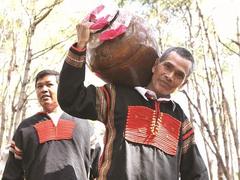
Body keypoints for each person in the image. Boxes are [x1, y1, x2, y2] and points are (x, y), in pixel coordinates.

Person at [57, 22, 209, 180]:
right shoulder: (116, 96)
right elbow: (71, 97)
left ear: (182, 83)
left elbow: (197, 173)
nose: (170, 76)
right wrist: (80, 46)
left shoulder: (180, 120)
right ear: (155, 65)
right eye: (167, 67)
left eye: (179, 75)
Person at [2, 69, 101, 180]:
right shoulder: (25, 128)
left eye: (49, 84)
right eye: (39, 86)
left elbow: (99, 170)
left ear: (61, 88)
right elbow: (12, 173)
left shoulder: (83, 124)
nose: (44, 89)